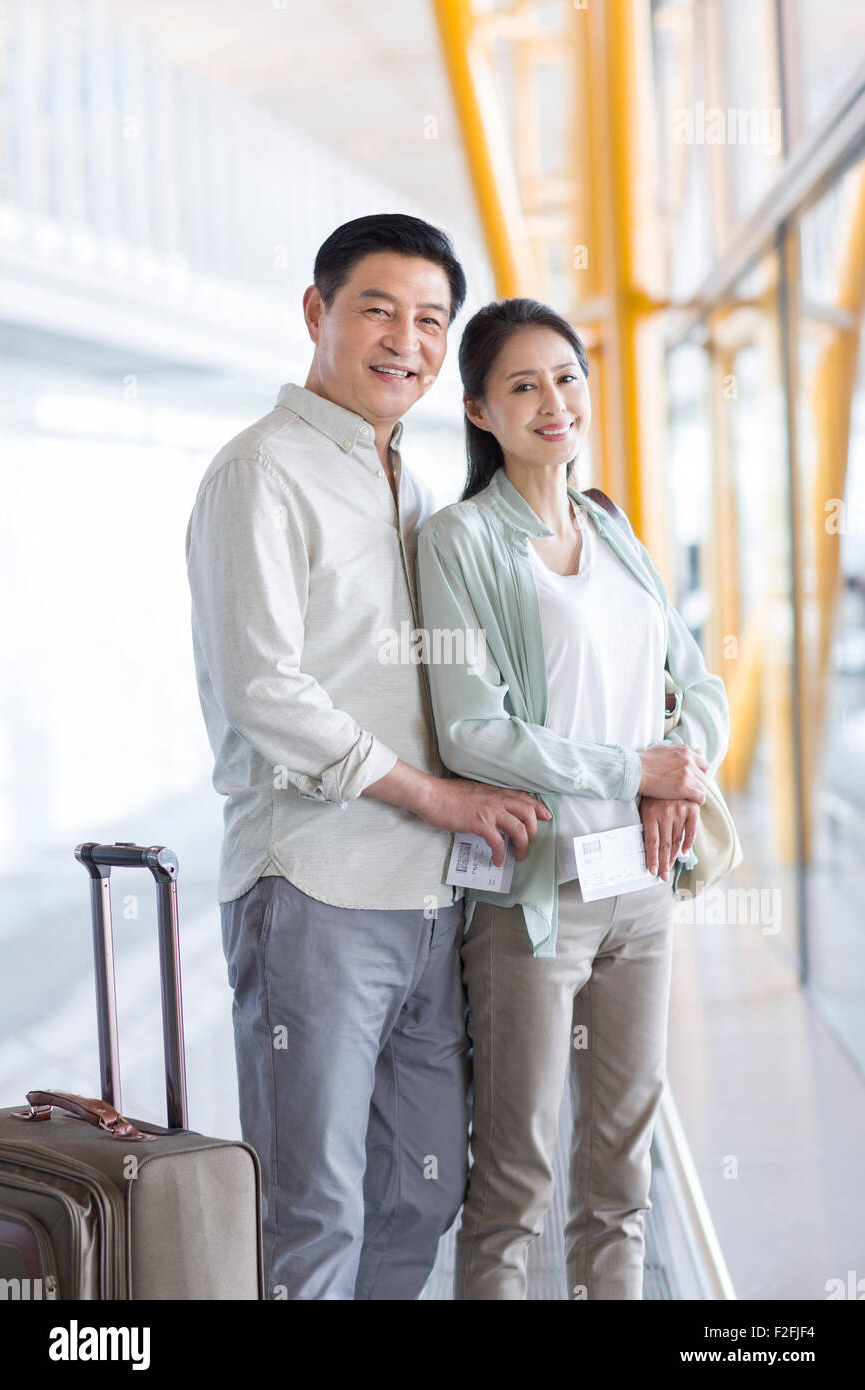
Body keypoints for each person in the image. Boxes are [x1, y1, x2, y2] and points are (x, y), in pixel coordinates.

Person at [184, 216, 550, 1301]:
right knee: (315, 1208)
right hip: (315, 887)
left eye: (429, 320)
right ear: (317, 313)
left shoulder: (412, 487)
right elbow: (264, 689)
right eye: (377, 310)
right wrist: (430, 793)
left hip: (430, 900)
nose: (406, 340)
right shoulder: (260, 473)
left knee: (418, 1192)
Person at [415, 296, 730, 1300]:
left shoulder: (609, 523)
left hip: (640, 885)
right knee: (515, 1178)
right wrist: (631, 771)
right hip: (534, 903)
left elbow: (699, 683)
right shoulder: (459, 542)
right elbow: (471, 729)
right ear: (477, 410)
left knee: (619, 1177)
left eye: (565, 375)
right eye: (522, 384)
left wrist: (676, 772)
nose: (553, 400)